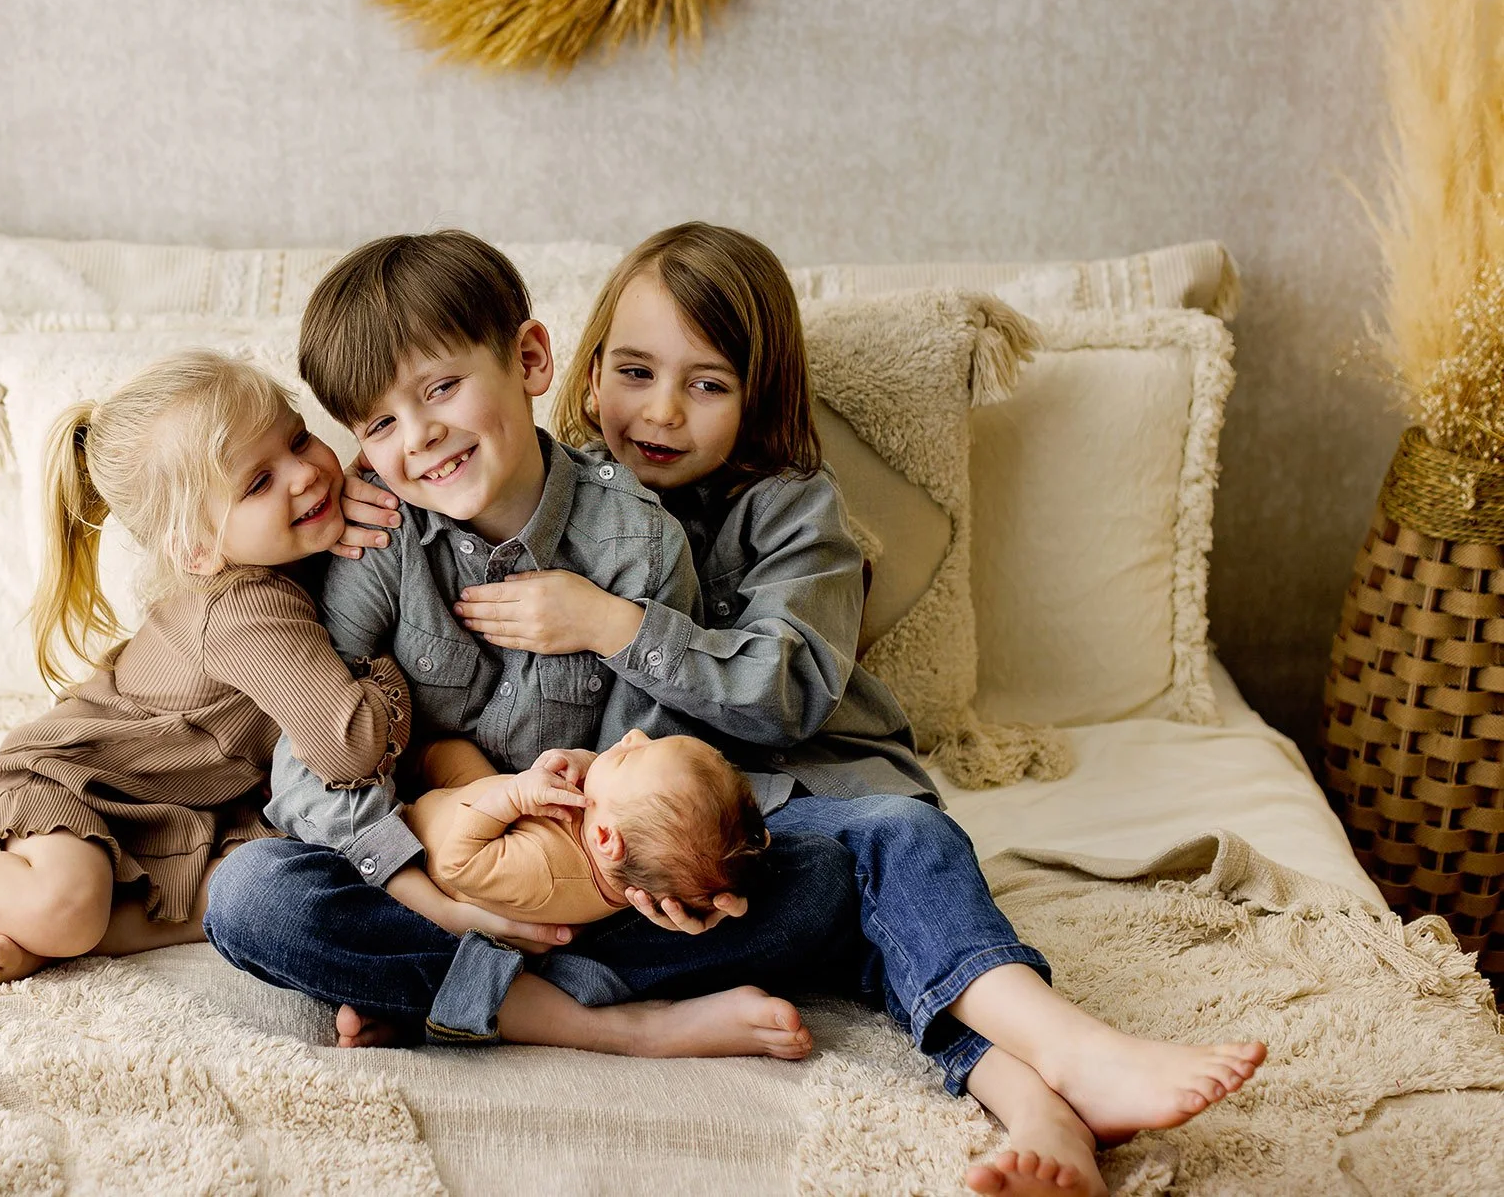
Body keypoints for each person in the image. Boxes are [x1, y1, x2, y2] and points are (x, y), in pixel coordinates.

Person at [442, 221, 1263, 1197]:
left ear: (759, 398)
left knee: (893, 850)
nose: (661, 409)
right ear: (582, 376)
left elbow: (782, 697)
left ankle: (1059, 1076)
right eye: (633, 370)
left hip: (808, 800)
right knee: (395, 901)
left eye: (706, 383)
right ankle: (1051, 1096)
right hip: (681, 864)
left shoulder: (795, 511)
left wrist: (617, 624)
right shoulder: (558, 494)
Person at [205, 230, 860, 1061]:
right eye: (378, 423)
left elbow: (643, 764)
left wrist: (624, 870)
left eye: (441, 388)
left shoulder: (641, 545)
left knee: (821, 885)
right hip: (422, 866)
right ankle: (595, 1018)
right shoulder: (375, 534)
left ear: (531, 359)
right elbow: (313, 756)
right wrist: (431, 891)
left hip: (579, 885)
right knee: (251, 896)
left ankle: (440, 992)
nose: (419, 438)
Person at [0, 350, 423, 987]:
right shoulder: (245, 607)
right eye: (258, 481)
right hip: (75, 787)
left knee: (272, 879)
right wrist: (386, 639)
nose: (305, 473)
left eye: (300, 439)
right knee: (70, 902)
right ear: (194, 549)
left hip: (182, 814)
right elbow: (348, 746)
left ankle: (37, 929)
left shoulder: (287, 554)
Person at [402, 729, 768, 925]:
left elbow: (456, 862)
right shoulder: (627, 861)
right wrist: (582, 762)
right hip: (483, 798)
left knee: (433, 751)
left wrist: (512, 797)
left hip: (427, 830)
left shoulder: (544, 874)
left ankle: (398, 765)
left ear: (605, 838)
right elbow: (614, 799)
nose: (634, 735)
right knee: (455, 749)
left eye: (629, 756)